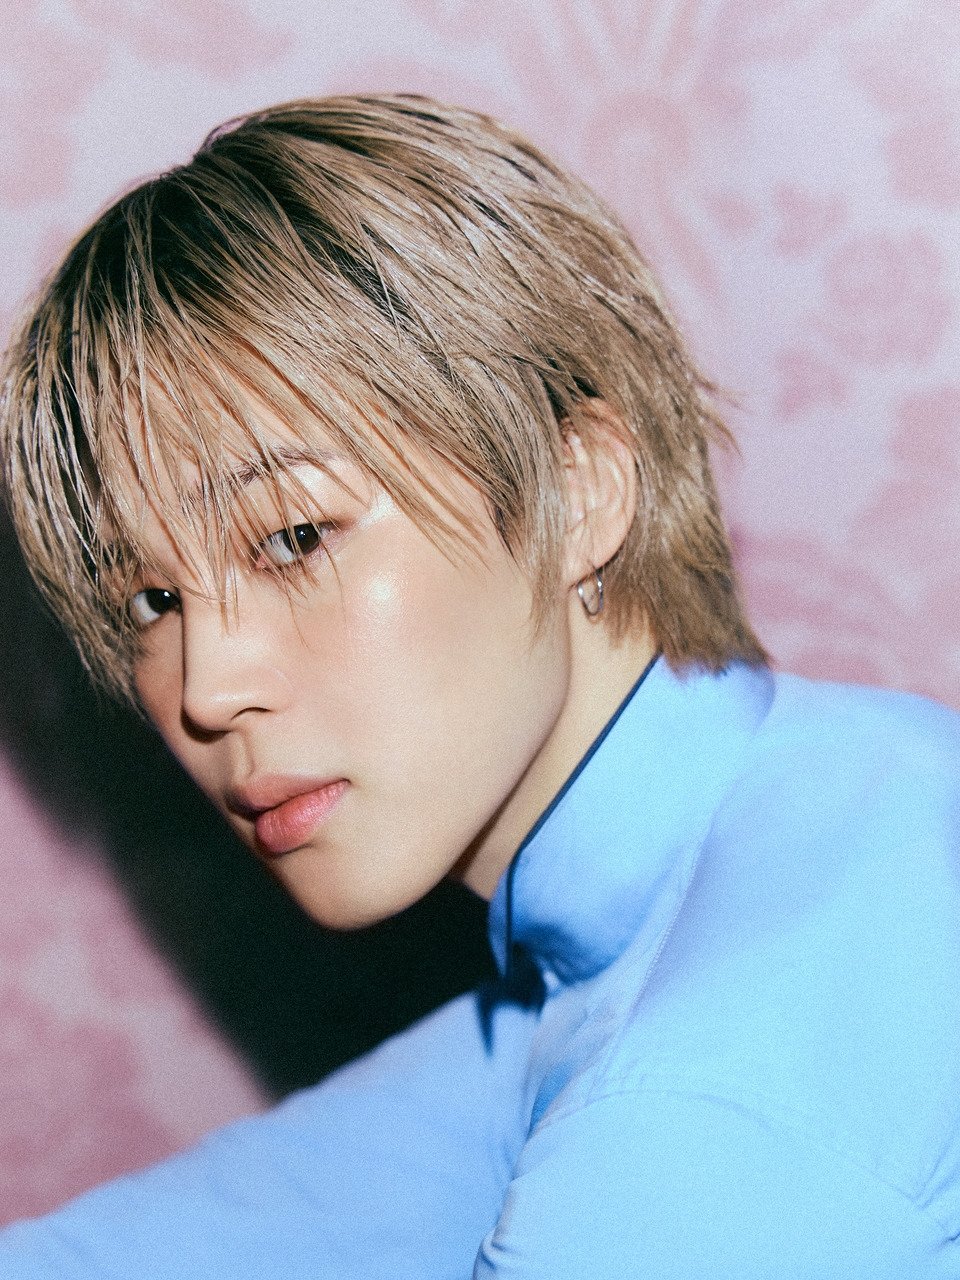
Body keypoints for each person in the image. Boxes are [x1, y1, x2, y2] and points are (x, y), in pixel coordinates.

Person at [0, 93, 958, 1279]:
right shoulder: (848, 785)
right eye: (151, 600)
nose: (206, 687)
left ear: (582, 490)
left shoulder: (701, 1121)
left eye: (293, 536)